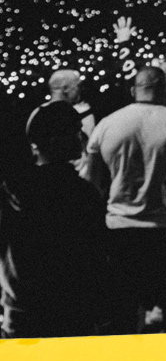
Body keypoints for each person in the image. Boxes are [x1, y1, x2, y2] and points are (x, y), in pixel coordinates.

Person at [84, 66, 166, 332]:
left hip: (119, 228)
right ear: (164, 89)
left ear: (133, 90)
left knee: (123, 312)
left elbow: (92, 183)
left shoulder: (107, 124)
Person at [0, 103, 107, 338]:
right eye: (75, 131)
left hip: (21, 311)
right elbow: (95, 258)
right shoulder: (82, 194)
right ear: (56, 140)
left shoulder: (13, 192)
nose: (82, 138)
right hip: (72, 312)